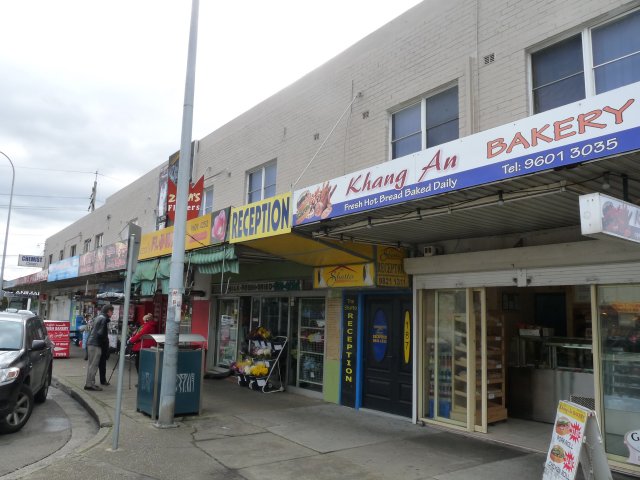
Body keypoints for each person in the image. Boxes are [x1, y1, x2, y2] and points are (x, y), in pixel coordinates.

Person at [84, 304, 113, 391]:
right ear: (108, 311)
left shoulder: (98, 317)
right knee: (94, 365)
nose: (112, 313)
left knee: (91, 365)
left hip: (92, 343)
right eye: (112, 311)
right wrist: (106, 345)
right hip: (96, 344)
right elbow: (101, 334)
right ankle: (89, 384)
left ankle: (90, 383)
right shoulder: (104, 319)